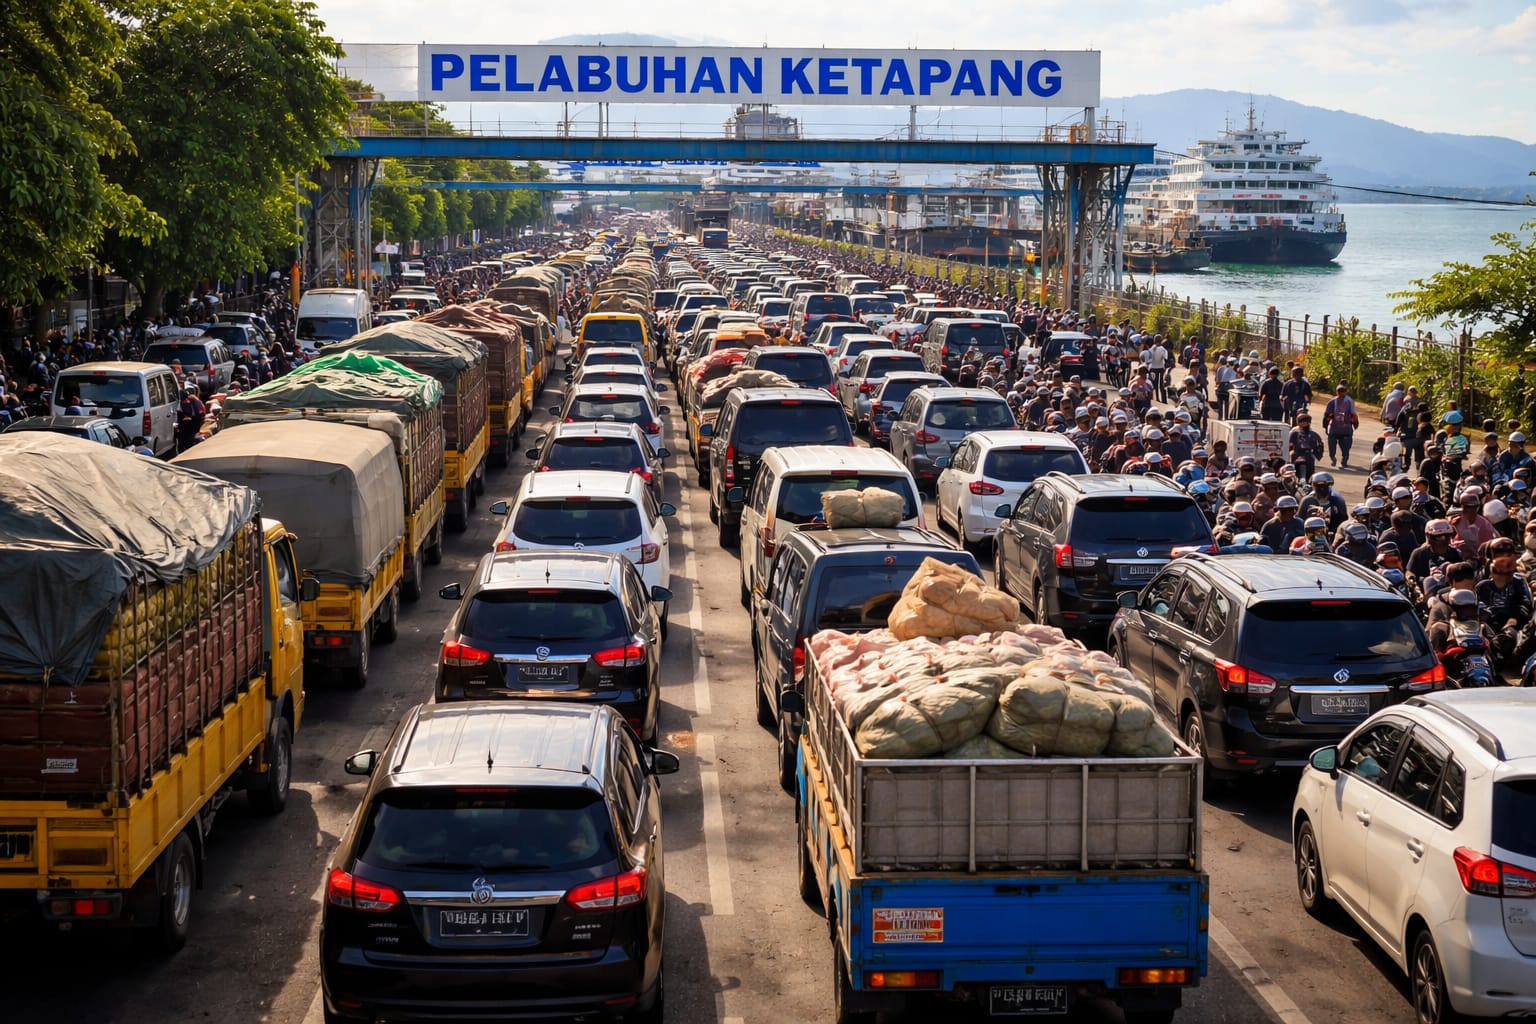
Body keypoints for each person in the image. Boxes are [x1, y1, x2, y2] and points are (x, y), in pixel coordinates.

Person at [1476, 537, 1532, 671]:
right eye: (1499, 556)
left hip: (1512, 623)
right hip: (1487, 623)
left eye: (1508, 555)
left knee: (1511, 636)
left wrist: (1515, 619)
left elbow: (1526, 604)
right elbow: (1477, 605)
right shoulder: (1482, 583)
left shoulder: (1518, 582)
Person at [1322, 383, 1359, 468]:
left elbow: (1353, 414)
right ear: (1337, 392)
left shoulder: (1349, 401)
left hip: (1346, 429)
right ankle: (1333, 458)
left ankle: (1344, 460)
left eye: (1343, 391)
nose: (1341, 393)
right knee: (1331, 446)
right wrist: (1325, 425)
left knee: (1346, 447)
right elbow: (1327, 415)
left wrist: (1355, 423)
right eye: (1339, 391)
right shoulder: (1332, 402)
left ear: (1346, 392)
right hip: (1334, 428)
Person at [1288, 412, 1324, 482]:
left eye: (1306, 421)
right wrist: (1289, 453)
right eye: (1302, 421)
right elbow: (1290, 444)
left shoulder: (1313, 434)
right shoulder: (1295, 433)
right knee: (1293, 473)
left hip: (1309, 456)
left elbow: (1319, 445)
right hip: (1297, 455)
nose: (1304, 423)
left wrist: (1317, 454)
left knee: (1310, 474)